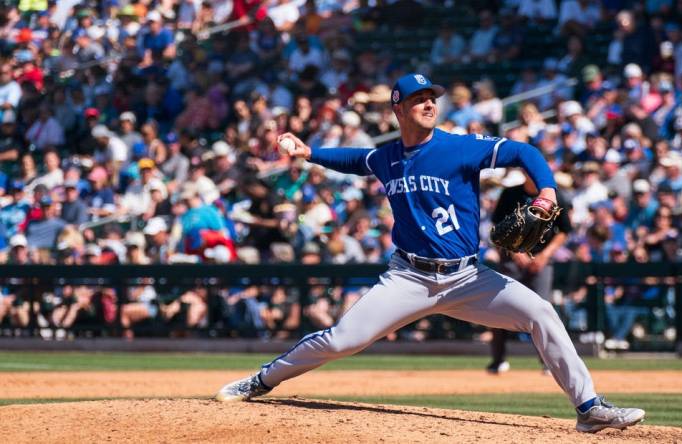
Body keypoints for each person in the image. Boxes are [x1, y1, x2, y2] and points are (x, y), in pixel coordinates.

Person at [216, 73, 645, 433]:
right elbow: (355, 158)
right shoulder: (388, 158)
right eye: (419, 99)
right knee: (343, 340)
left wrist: (547, 190)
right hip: (408, 278)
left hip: (467, 279)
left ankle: (589, 409)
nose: (428, 104)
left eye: (431, 99)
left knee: (541, 313)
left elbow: (523, 151)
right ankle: (261, 380)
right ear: (398, 109)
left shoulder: (458, 147)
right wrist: (310, 154)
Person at [486, 171, 571, 376]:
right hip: (512, 259)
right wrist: (516, 252)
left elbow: (564, 231)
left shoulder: (553, 196)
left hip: (542, 260)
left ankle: (548, 362)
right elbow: (497, 227)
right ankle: (498, 360)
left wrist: (544, 256)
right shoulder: (510, 194)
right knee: (500, 308)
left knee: (543, 309)